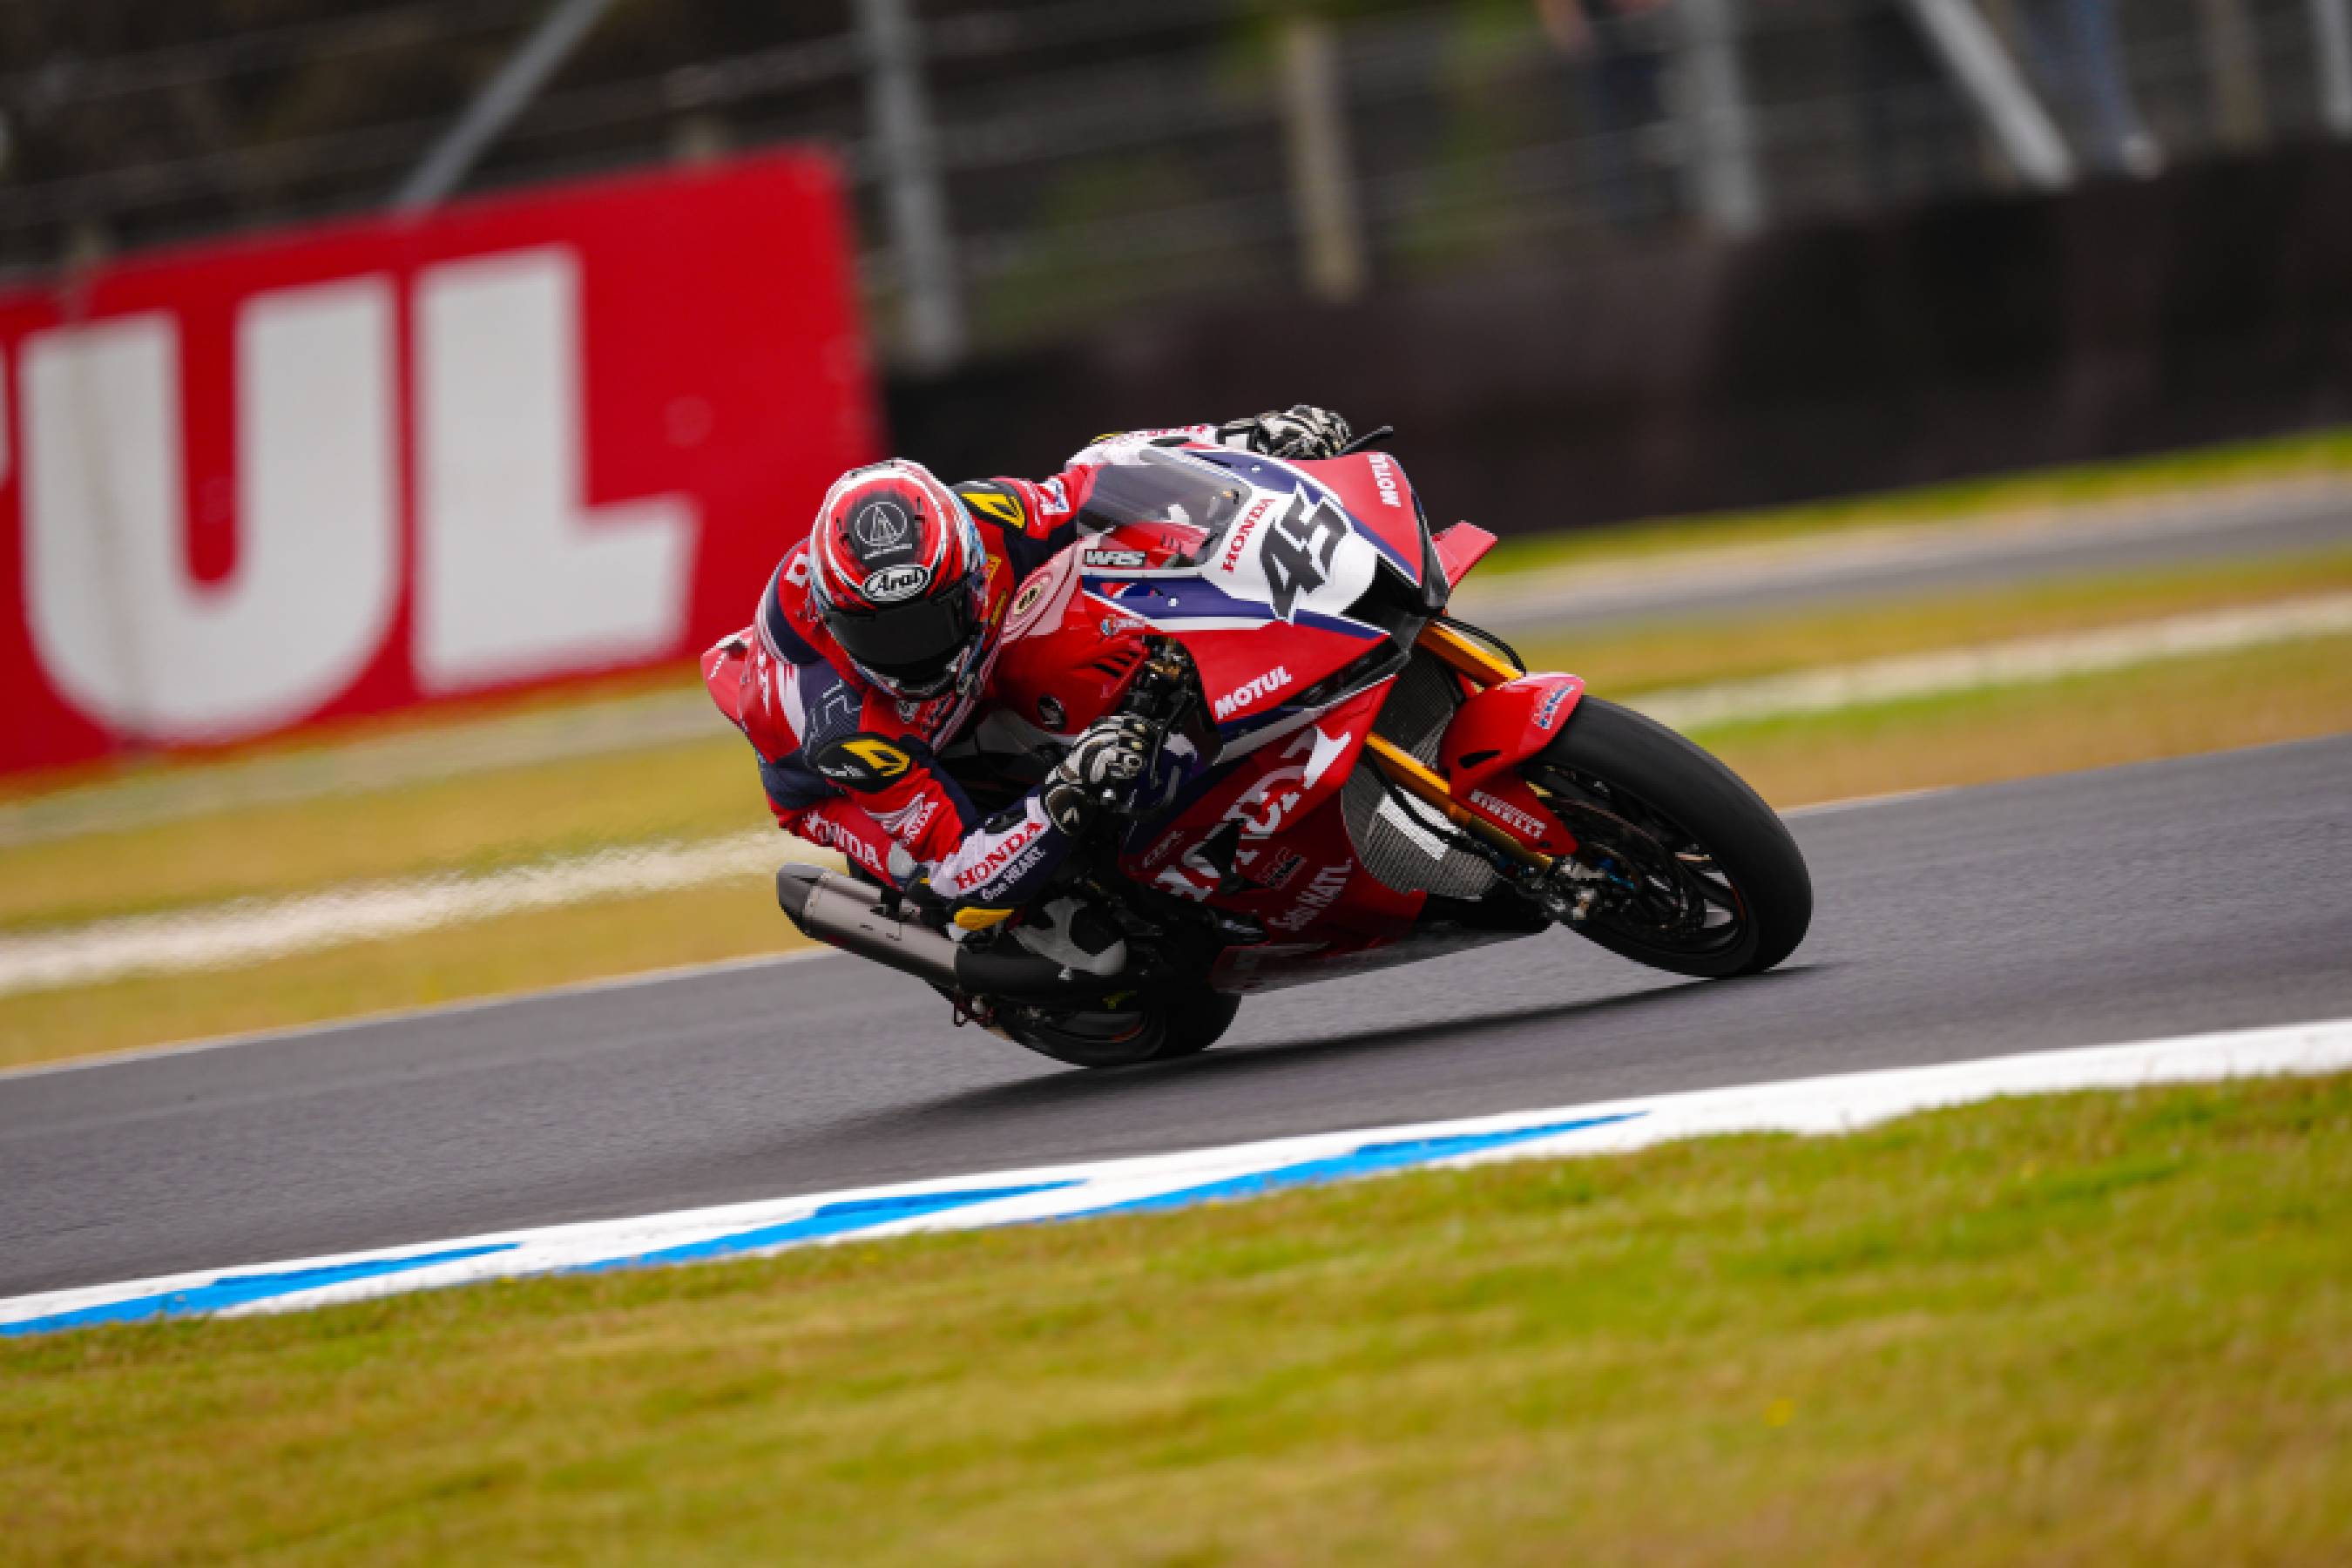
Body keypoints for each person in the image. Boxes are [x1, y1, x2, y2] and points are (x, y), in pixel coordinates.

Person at [703, 405, 1355, 927]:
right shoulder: (843, 732)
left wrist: (1245, 438)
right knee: (949, 895)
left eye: (931, 620)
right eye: (884, 636)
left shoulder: (982, 519)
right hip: (839, 785)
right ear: (834, 615)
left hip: (976, 677)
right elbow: (961, 867)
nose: (916, 654)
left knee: (1101, 587)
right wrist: (1068, 786)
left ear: (963, 570)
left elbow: (1103, 471)